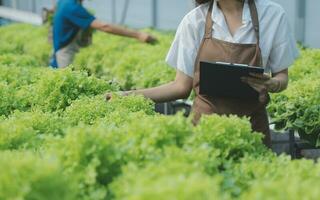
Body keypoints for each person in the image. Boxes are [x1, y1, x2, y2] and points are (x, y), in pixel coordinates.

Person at [106, 0, 299, 147]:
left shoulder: (273, 15)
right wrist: (125, 96)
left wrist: (274, 84)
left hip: (253, 129)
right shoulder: (194, 21)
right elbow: (180, 87)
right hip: (204, 131)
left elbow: (282, 76)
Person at [50, 0, 156, 68]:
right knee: (66, 85)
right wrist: (138, 35)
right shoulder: (72, 7)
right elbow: (104, 26)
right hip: (65, 53)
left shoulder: (64, 2)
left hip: (62, 48)